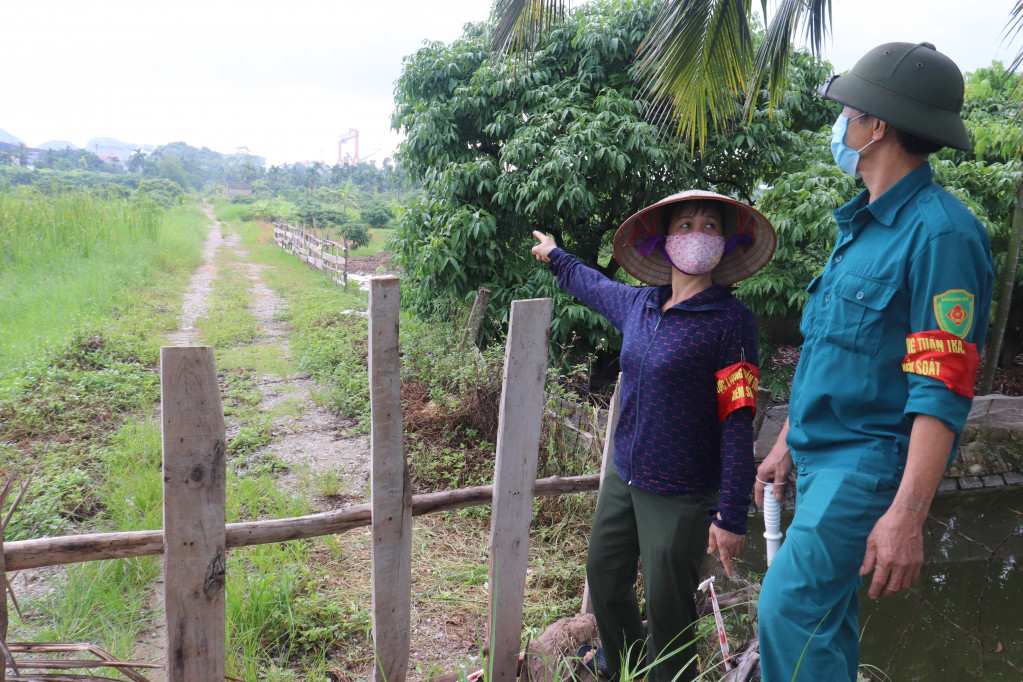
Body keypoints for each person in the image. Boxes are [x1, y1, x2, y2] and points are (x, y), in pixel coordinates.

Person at [755, 42, 995, 681]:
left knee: (785, 609)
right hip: (818, 452)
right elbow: (827, 351)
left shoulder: (942, 235)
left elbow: (942, 388)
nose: (842, 125)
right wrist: (784, 443)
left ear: (876, 125)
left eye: (848, 112)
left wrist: (908, 514)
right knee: (823, 625)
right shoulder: (860, 226)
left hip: (865, 462)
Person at [531, 190, 776, 682]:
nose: (697, 236)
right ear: (665, 242)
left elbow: (738, 419)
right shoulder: (641, 304)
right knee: (604, 574)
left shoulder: (731, 322)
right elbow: (593, 285)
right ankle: (623, 663)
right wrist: (556, 256)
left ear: (725, 244)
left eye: (710, 227)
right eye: (685, 226)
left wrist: (730, 514)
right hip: (626, 473)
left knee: (669, 614)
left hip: (682, 493)